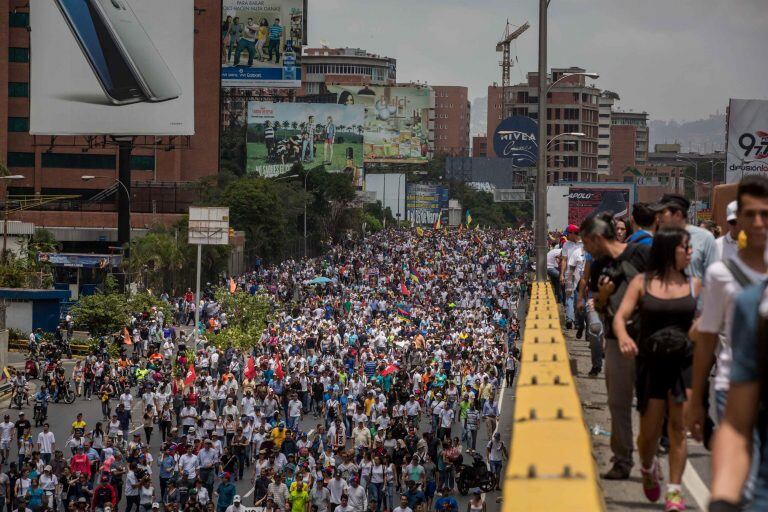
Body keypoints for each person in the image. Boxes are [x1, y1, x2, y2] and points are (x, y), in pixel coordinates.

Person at [688, 176, 768, 504]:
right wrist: (722, 496)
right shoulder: (731, 282)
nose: (758, 223)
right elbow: (735, 429)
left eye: (766, 214)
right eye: (750, 215)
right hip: (729, 380)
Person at [613, 227, 700, 510]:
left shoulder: (695, 284)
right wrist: (624, 338)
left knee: (678, 427)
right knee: (649, 433)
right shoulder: (642, 282)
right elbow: (621, 317)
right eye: (684, 247)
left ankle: (674, 490)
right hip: (651, 363)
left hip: (684, 363)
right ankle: (648, 466)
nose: (690, 252)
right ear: (668, 250)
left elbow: (705, 320)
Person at [581, 212, 651, 480]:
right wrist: (605, 296)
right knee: (618, 403)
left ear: (597, 238)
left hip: (646, 339)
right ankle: (622, 459)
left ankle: (648, 455)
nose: (586, 249)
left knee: (648, 404)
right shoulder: (599, 265)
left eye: (587, 243)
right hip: (614, 339)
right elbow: (598, 306)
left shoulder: (641, 255)